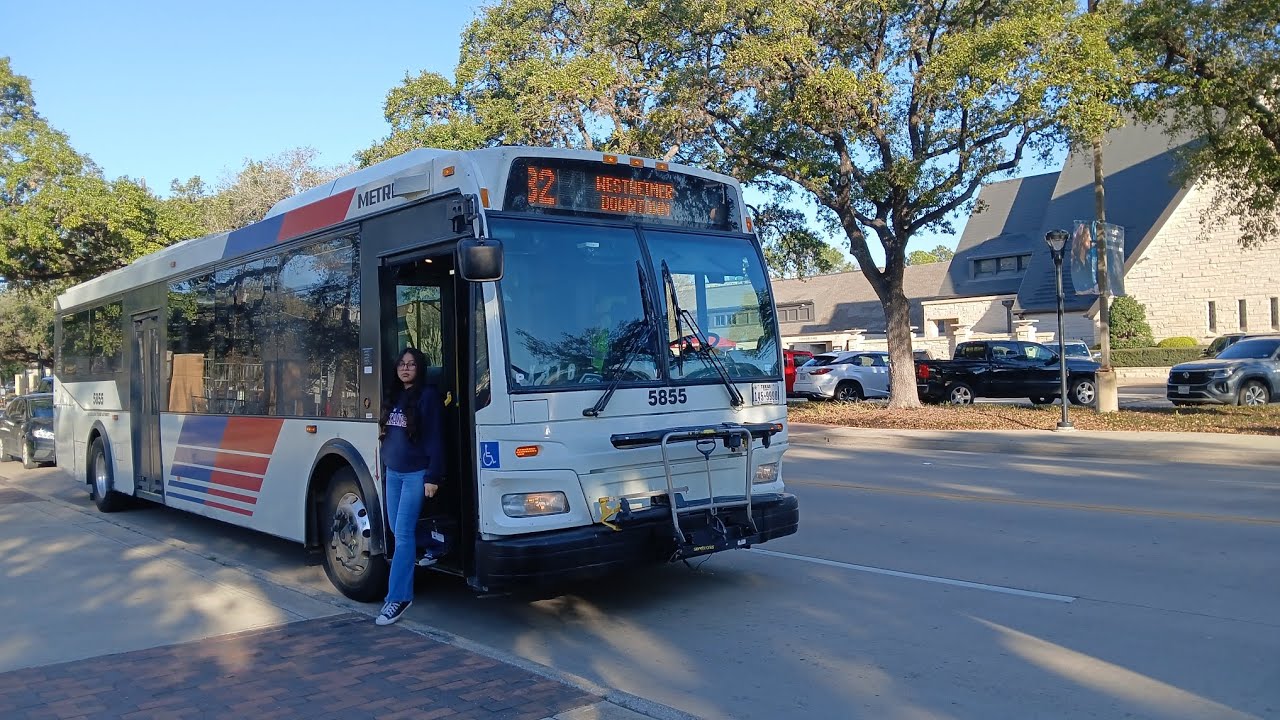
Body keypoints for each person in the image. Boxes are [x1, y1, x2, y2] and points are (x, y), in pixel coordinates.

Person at [375, 347, 445, 626]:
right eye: (402, 364)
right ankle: (437, 542)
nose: (406, 368)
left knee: (402, 534)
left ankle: (399, 598)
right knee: (395, 529)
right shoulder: (394, 396)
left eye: (412, 365)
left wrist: (433, 477)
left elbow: (436, 439)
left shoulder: (427, 396)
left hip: (417, 474)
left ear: (420, 369)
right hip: (393, 473)